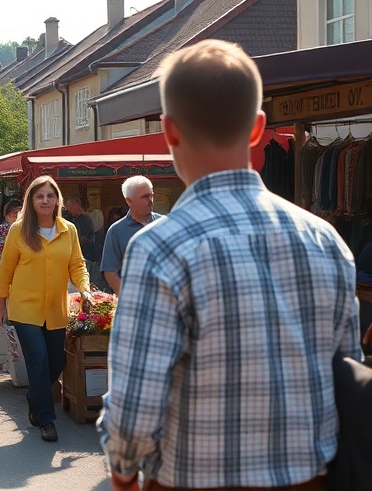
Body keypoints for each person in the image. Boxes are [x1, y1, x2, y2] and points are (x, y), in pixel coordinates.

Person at [99, 40, 361, 491]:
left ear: (170, 130)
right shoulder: (327, 242)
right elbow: (345, 377)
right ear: (258, 128)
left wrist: (123, 471)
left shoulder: (158, 248)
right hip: (310, 479)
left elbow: (135, 404)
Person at [0, 174, 91, 443]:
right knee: (38, 359)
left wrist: (84, 287)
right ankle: (46, 420)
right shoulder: (19, 230)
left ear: (57, 199)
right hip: (25, 308)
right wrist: (0, 304)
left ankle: (34, 395)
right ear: (31, 201)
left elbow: (77, 265)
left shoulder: (67, 230)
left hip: (55, 308)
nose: (45, 200)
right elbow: (7, 270)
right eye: (39, 196)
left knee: (56, 362)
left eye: (50, 195)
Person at [100, 176, 162, 295]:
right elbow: (110, 271)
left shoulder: (166, 224)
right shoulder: (116, 231)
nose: (150, 201)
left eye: (151, 195)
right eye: (144, 197)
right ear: (129, 201)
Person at [63, 195, 99, 287]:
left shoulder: (85, 220)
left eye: (70, 208)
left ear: (77, 206)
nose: (69, 210)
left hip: (86, 255)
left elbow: (89, 237)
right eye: (67, 208)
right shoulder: (67, 220)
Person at [0, 200, 22, 265]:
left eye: (21, 212)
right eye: (15, 212)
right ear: (7, 216)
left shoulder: (27, 231)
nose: (18, 215)